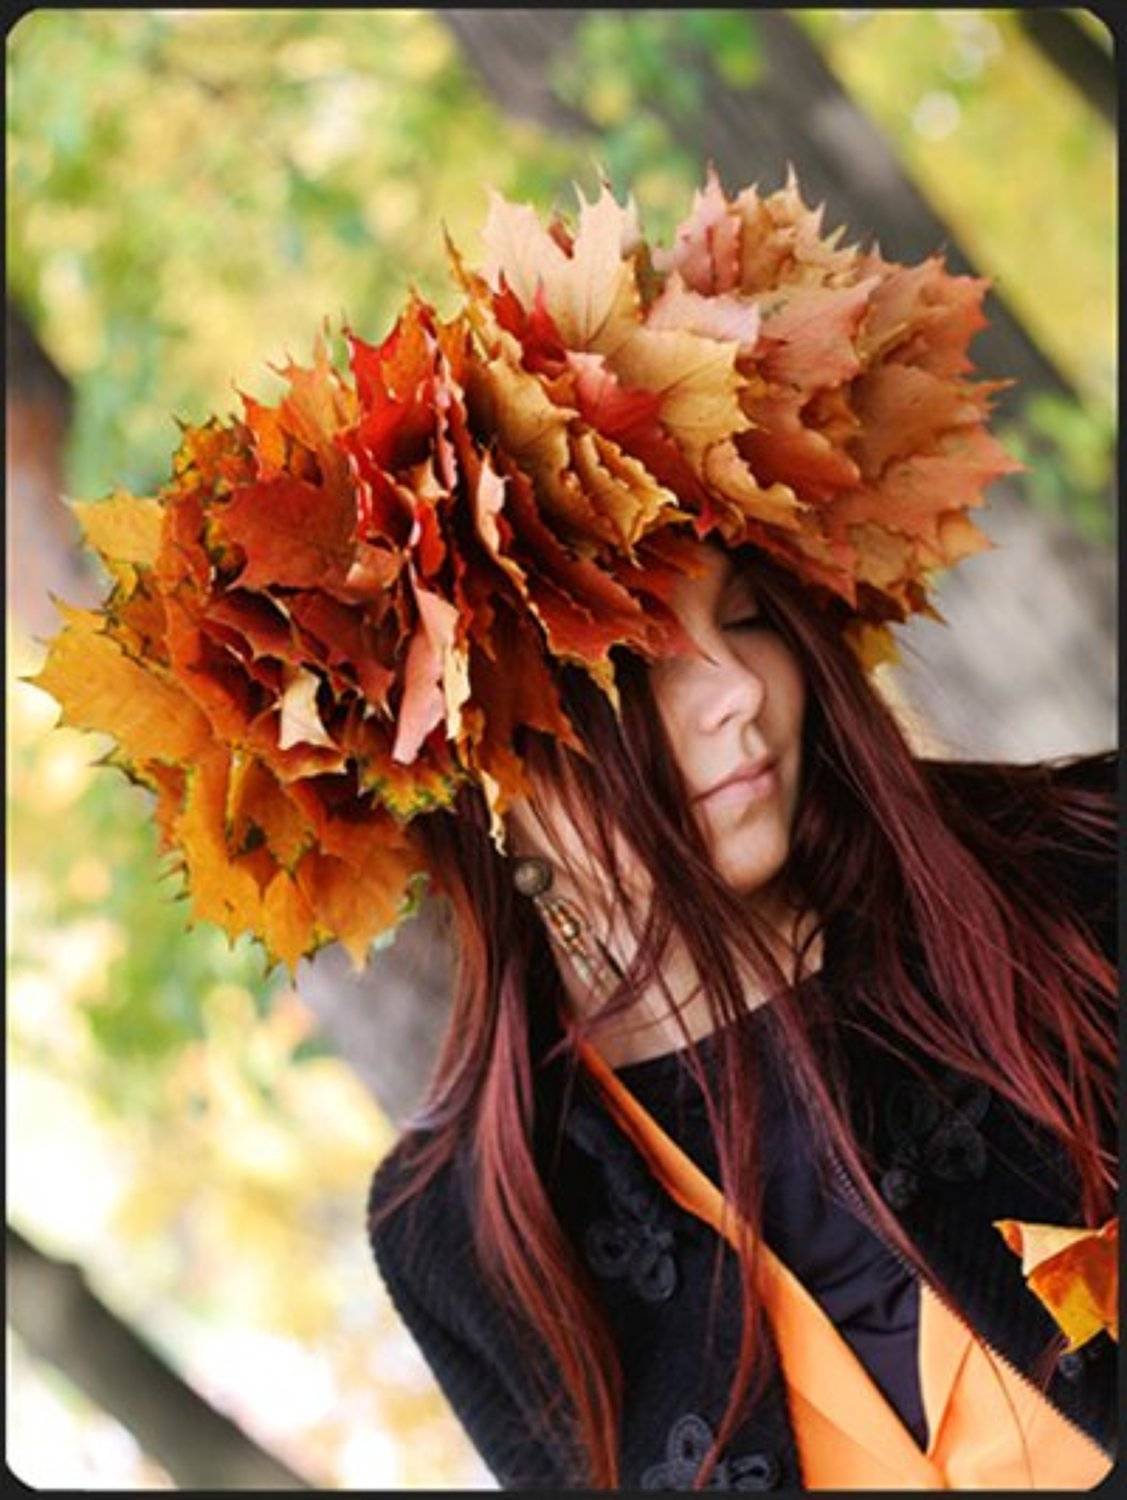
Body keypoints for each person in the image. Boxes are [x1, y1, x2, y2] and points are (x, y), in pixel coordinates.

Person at [33, 169, 1117, 1490]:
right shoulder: (471, 1233)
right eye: (645, 663)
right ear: (482, 760)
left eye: (753, 620)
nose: (735, 697)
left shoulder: (1083, 875)